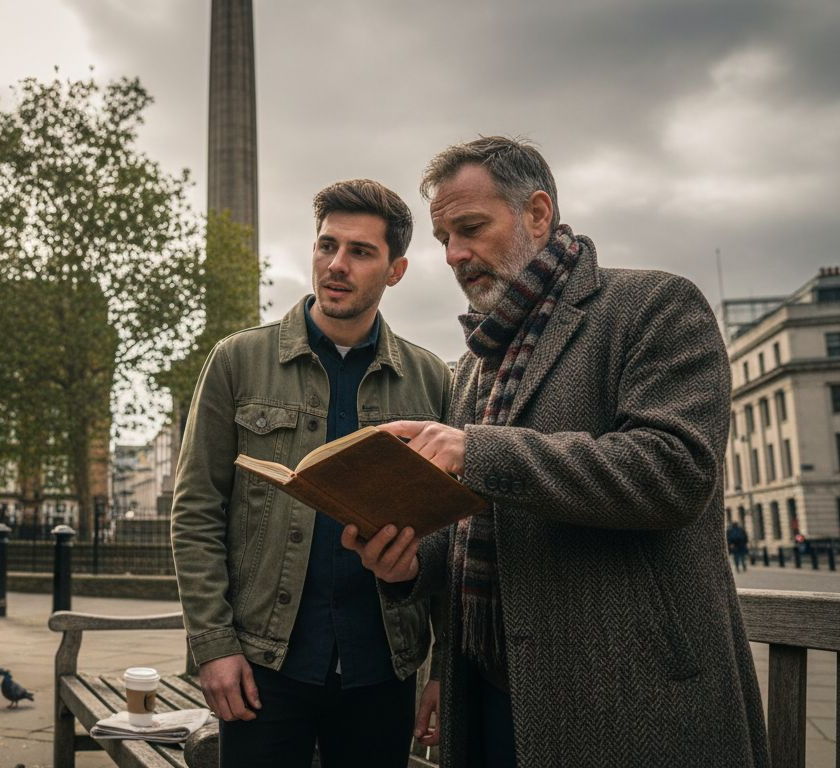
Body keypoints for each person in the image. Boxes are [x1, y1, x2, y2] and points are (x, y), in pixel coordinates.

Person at [342, 137, 768, 766]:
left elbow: (675, 471)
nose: (455, 254)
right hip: (486, 699)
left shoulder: (654, 306)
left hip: (627, 705)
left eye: (471, 228)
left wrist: (480, 451)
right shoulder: (472, 367)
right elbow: (469, 529)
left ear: (537, 213)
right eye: (443, 240)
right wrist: (406, 565)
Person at [171, 179, 450, 767]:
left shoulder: (432, 381)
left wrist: (443, 672)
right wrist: (213, 647)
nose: (337, 265)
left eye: (361, 251)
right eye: (327, 246)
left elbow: (458, 538)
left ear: (396, 270)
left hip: (384, 665)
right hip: (263, 665)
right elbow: (196, 511)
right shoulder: (237, 361)